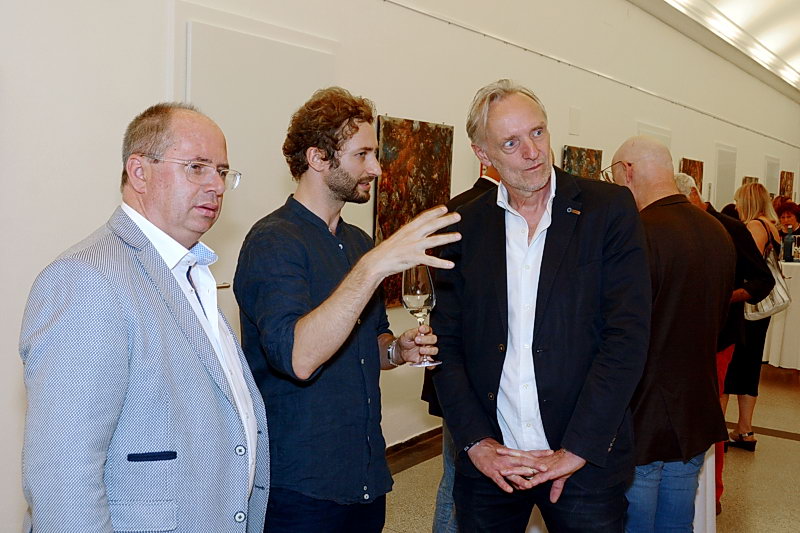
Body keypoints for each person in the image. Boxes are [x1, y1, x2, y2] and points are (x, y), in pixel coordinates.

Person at [19, 103, 270, 532]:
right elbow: (62, 477)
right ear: (139, 172)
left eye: (222, 171)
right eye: (197, 167)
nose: (216, 186)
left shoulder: (190, 271)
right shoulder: (88, 279)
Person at [233, 87, 460, 533]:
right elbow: (298, 357)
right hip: (302, 487)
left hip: (364, 474)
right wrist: (373, 267)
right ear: (318, 158)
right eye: (362, 155)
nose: (376, 168)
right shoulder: (273, 242)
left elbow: (371, 343)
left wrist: (397, 350)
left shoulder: (357, 242)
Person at [432, 79, 651, 533]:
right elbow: (445, 344)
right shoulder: (463, 226)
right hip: (492, 465)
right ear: (483, 154)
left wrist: (578, 447)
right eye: (511, 143)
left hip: (584, 460)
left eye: (537, 132)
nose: (532, 152)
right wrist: (475, 443)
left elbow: (627, 336)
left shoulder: (607, 210)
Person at [608, 136, 735, 532]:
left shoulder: (637, 234)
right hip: (696, 403)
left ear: (628, 171)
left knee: (636, 519)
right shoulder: (717, 231)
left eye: (613, 175)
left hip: (642, 409)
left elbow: (618, 330)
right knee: (678, 520)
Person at [674, 172, 774, 515]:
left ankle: (712, 494)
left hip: (719, 337)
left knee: (710, 413)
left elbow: (762, 280)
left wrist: (724, 296)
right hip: (679, 339)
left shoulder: (730, 229)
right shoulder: (674, 225)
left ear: (694, 195)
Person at [422, 166, 500, 533]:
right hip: (466, 375)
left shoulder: (455, 208)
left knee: (453, 476)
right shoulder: (476, 213)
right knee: (458, 480)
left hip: (454, 370)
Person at [723, 182, 782, 452]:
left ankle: (725, 430)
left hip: (746, 307)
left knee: (732, 366)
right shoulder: (772, 226)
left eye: (738, 200)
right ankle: (745, 429)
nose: (736, 205)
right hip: (759, 312)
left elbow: (749, 266)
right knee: (750, 367)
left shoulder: (755, 227)